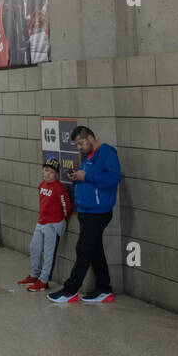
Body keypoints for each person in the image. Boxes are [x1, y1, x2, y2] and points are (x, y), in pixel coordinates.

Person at [49, 126, 121, 304]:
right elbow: (86, 177)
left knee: (83, 249)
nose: (79, 148)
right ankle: (105, 290)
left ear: (90, 138)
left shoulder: (107, 153)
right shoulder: (87, 156)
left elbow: (113, 178)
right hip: (85, 211)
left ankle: (70, 290)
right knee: (95, 251)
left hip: (98, 212)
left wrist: (86, 176)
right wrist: (78, 177)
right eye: (77, 145)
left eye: (81, 143)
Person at [20, 159, 72, 292]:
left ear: (57, 175)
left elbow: (66, 207)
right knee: (34, 247)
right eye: (46, 170)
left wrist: (61, 221)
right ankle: (34, 275)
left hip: (53, 224)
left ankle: (43, 281)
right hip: (41, 221)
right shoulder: (42, 185)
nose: (48, 174)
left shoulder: (59, 188)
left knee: (49, 254)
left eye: (52, 172)